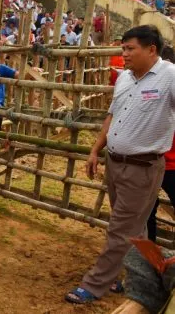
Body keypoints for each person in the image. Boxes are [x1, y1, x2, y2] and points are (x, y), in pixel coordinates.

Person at [65, 25, 175, 304]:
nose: (123, 54)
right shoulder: (125, 78)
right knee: (135, 230)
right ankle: (142, 277)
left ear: (151, 50)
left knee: (120, 228)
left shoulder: (169, 77)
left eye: (130, 49)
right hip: (116, 164)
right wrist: (95, 150)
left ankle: (96, 284)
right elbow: (111, 116)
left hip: (144, 167)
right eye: (122, 48)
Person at [147, 44, 175, 242]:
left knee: (146, 211)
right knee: (146, 212)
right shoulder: (143, 86)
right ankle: (148, 258)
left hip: (166, 163)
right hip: (150, 161)